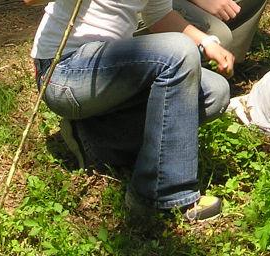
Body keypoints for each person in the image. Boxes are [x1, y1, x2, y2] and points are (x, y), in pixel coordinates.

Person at [26, 0, 236, 221]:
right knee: (179, 51)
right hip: (64, 71)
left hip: (112, 71)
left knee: (214, 92)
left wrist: (206, 42)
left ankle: (97, 138)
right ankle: (160, 195)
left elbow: (159, 15)